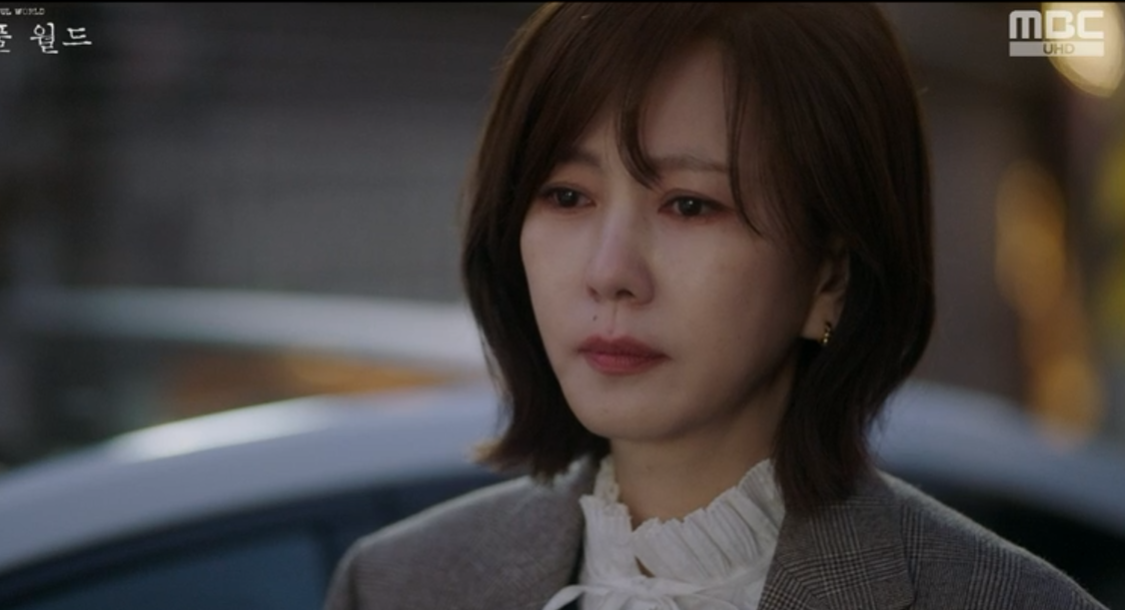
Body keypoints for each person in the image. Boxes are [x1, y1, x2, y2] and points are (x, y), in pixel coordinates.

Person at [325, 3, 1107, 609]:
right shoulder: (398, 584)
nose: (609, 272)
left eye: (690, 206)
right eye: (565, 196)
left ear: (830, 277)